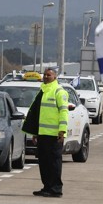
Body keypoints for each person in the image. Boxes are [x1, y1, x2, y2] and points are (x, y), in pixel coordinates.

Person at [32, 67, 68, 197]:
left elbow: (64, 112)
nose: (46, 77)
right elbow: (38, 114)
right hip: (43, 134)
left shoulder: (59, 91)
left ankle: (56, 189)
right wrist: (35, 132)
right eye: (45, 75)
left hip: (54, 136)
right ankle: (47, 187)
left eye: (49, 75)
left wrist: (62, 131)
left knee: (54, 163)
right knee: (44, 162)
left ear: (55, 77)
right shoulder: (42, 91)